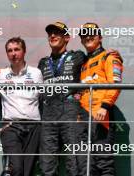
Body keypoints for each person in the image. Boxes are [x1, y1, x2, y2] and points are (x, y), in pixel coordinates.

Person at [0, 37, 43, 176]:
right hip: (11, 127)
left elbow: (42, 99)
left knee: (28, 171)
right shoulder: (0, 75)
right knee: (16, 169)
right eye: (9, 51)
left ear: (24, 51)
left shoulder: (36, 73)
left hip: (34, 127)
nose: (13, 53)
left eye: (17, 49)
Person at [37, 22, 86, 176]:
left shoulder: (78, 56)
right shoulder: (43, 62)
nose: (52, 36)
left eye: (57, 33)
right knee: (47, 163)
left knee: (74, 161)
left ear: (67, 38)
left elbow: (95, 64)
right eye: (50, 33)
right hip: (48, 113)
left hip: (70, 111)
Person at [77, 22, 123, 176]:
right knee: (86, 166)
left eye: (92, 33)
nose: (88, 36)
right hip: (83, 117)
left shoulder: (109, 57)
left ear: (100, 37)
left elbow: (115, 84)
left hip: (100, 115)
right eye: (84, 34)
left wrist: (104, 106)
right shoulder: (83, 63)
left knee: (103, 163)